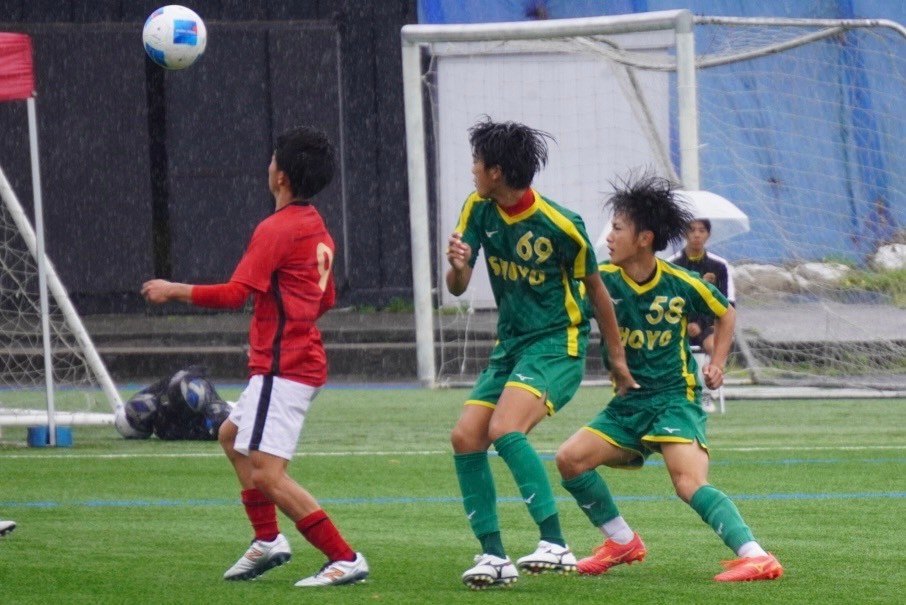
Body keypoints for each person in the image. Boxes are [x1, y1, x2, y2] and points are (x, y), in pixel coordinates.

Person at [141, 126, 368, 588]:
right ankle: (267, 540)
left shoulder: (277, 228)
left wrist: (173, 290)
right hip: (291, 359)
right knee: (230, 435)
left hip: (285, 368)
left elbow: (233, 294)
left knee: (266, 473)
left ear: (281, 176)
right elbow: (324, 299)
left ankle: (344, 557)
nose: (268, 167)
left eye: (271, 161)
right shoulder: (315, 225)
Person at [555, 173, 783, 583]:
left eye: (618, 229)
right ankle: (621, 541)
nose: (608, 237)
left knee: (687, 483)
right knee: (570, 460)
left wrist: (718, 362)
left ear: (644, 237)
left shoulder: (680, 282)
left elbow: (726, 312)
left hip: (675, 398)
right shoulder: (601, 280)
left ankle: (757, 555)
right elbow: (561, 302)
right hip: (628, 406)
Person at [446, 118, 636, 589]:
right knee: (466, 438)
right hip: (510, 347)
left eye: (476, 162)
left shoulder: (560, 224)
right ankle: (494, 556)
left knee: (505, 429)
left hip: (558, 345)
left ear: (496, 172)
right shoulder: (478, 209)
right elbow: (458, 286)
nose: (471, 170)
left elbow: (597, 293)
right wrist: (457, 266)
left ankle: (555, 543)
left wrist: (616, 359)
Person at [668, 218, 736, 357]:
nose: (697, 235)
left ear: (708, 234)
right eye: (691, 230)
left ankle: (715, 375)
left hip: (708, 326)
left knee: (713, 346)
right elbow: (666, 300)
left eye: (701, 230)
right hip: (676, 325)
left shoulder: (719, 265)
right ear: (683, 234)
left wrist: (700, 324)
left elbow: (727, 303)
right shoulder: (671, 265)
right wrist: (687, 322)